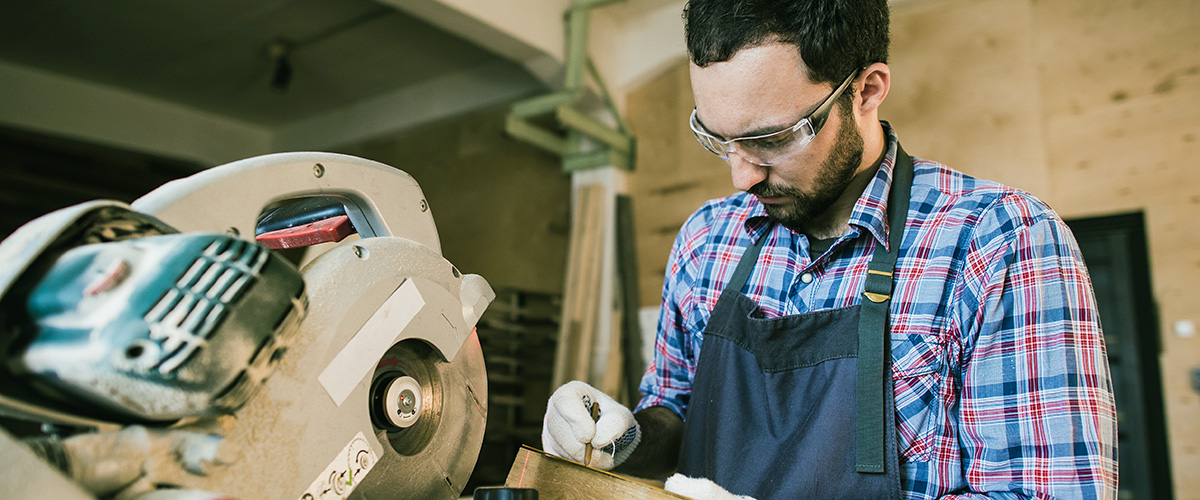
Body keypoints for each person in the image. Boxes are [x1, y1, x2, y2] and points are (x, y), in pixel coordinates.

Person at [542, 1, 1118, 499]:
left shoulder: (996, 242)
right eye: (717, 138)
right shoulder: (706, 241)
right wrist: (623, 439)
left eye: (770, 138)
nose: (741, 177)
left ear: (866, 89)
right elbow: (679, 413)